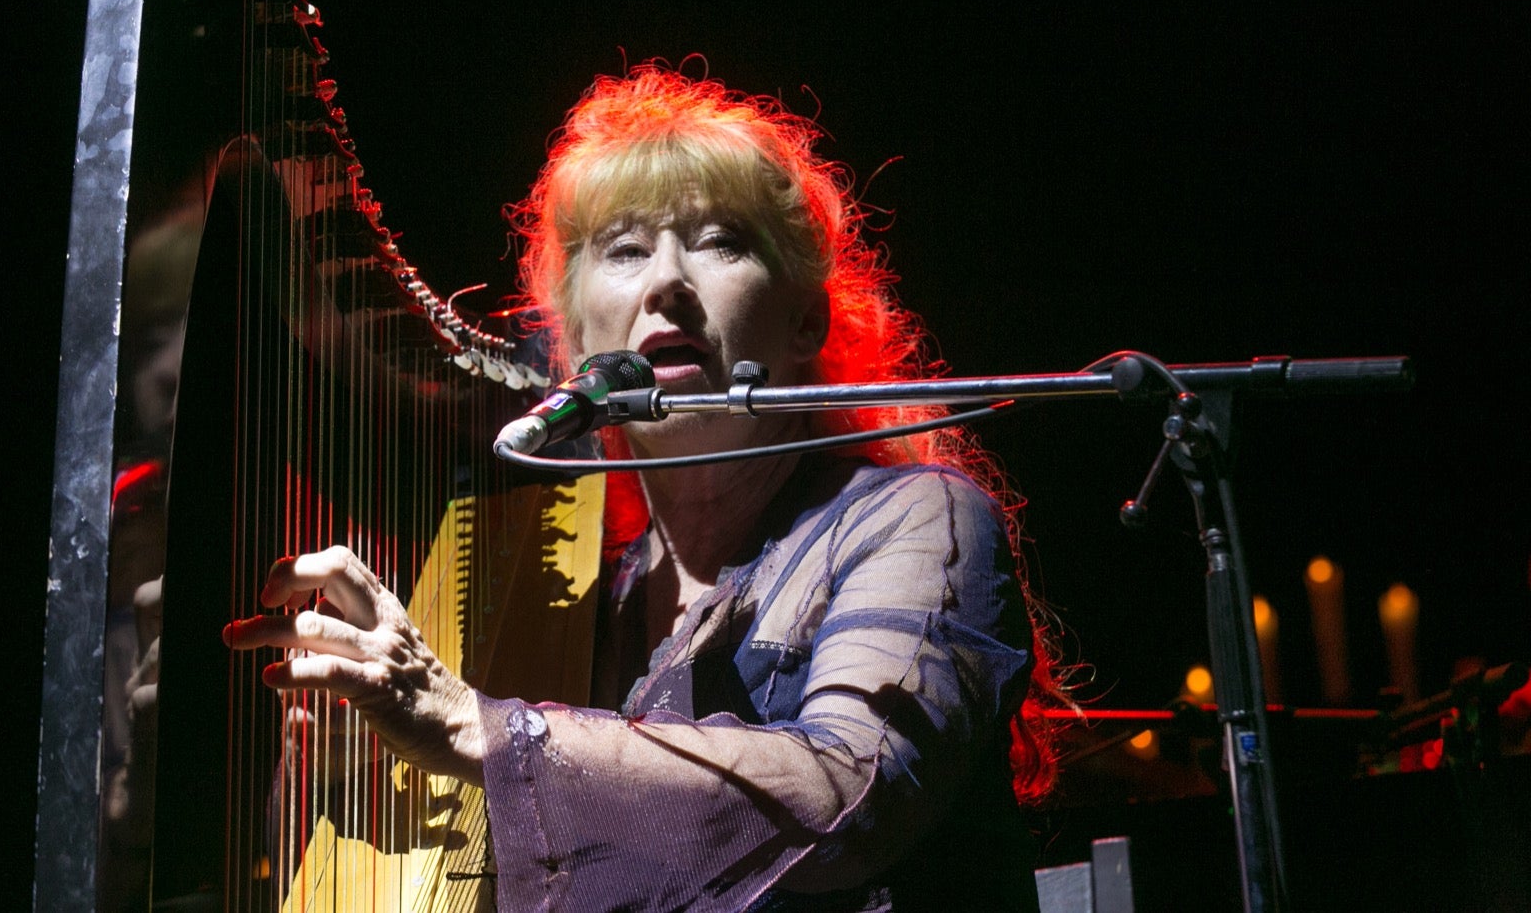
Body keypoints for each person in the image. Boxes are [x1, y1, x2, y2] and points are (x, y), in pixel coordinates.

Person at [225, 64, 1065, 911]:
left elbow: (848, 793)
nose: (666, 282)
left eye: (719, 242)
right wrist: (349, 780)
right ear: (574, 340)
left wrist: (472, 727)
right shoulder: (590, 601)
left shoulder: (917, 521)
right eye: (624, 250)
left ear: (807, 321)